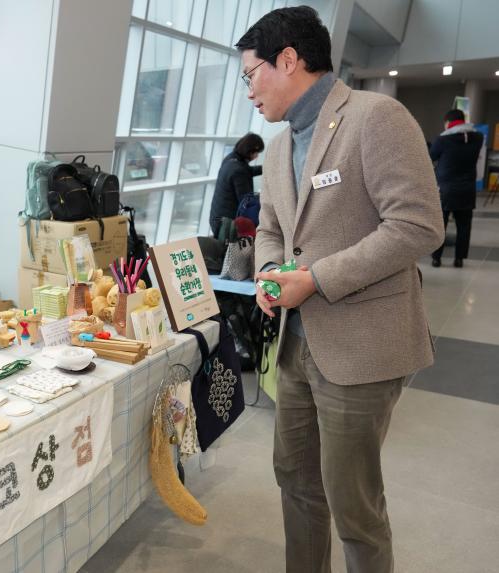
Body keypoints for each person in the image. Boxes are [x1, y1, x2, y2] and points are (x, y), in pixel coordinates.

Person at [236, 6, 444, 572]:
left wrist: (316, 279)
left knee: (354, 505)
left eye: (250, 74)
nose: (248, 91)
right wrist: (270, 275)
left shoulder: (376, 117)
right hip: (297, 344)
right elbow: (274, 228)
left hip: (362, 347)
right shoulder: (279, 147)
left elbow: (418, 225)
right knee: (295, 481)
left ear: (288, 60)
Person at [429, 108, 483, 268]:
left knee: (440, 226)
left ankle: (436, 258)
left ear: (448, 123)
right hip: (467, 189)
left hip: (446, 190)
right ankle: (459, 259)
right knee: (464, 226)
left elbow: (431, 156)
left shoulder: (442, 140)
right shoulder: (477, 138)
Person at [209, 132, 264, 238]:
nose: (257, 156)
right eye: (257, 152)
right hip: (227, 226)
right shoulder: (239, 170)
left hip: (217, 218)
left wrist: (266, 167)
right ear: (250, 151)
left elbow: (247, 171)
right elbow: (247, 202)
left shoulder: (231, 159)